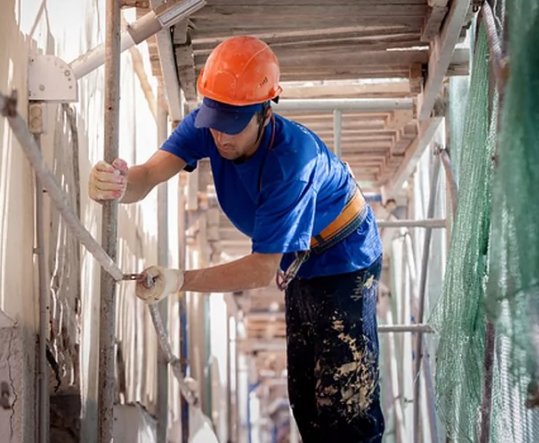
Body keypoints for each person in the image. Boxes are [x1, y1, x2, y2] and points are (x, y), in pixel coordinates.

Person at [88, 35, 385, 442]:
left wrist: (180, 280)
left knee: (345, 401)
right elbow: (147, 177)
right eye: (215, 123)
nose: (221, 138)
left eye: (233, 125)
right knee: (306, 398)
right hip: (303, 262)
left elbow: (262, 270)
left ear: (265, 112)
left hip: (346, 257)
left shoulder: (292, 163)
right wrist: (118, 184)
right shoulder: (206, 126)